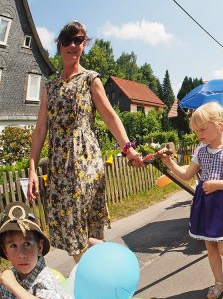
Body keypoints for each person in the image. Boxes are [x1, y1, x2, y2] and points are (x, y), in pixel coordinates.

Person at [27, 21, 143, 263]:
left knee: (80, 230)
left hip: (84, 162)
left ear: (84, 44)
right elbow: (40, 131)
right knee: (74, 233)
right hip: (59, 166)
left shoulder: (91, 79)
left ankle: (105, 276)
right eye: (67, 40)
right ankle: (102, 278)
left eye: (78, 40)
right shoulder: (50, 86)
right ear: (59, 45)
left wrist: (128, 149)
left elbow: (110, 116)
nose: (72, 45)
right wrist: (32, 169)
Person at [159, 102, 223, 299]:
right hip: (205, 205)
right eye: (196, 131)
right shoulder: (200, 151)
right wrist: (169, 163)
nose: (198, 134)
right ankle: (220, 281)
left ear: (220, 125)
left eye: (202, 129)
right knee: (210, 247)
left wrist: (218, 185)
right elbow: (186, 174)